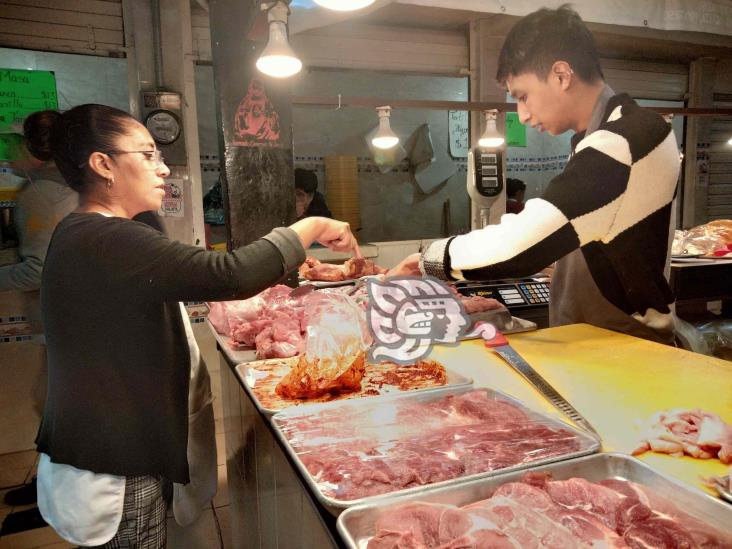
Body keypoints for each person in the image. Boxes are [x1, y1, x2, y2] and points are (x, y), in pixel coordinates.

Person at [32, 103, 357, 548]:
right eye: (147, 155)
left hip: (110, 450)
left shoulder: (92, 232)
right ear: (103, 164)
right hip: (111, 464)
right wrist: (313, 225)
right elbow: (231, 275)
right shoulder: (105, 239)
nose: (163, 168)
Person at [390, 6, 680, 346]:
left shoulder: (629, 137)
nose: (523, 116)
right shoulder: (595, 140)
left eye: (522, 96)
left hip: (627, 348)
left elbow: (520, 246)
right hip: (594, 343)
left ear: (561, 74)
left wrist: (429, 260)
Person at [0, 113, 78, 509]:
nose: (9, 152)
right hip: (74, 320)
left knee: (53, 405)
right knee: (52, 404)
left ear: (34, 149)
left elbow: (37, 268)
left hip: (65, 321)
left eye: (13, 144)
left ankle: (61, 491)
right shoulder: (69, 186)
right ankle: (58, 486)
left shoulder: (40, 194)